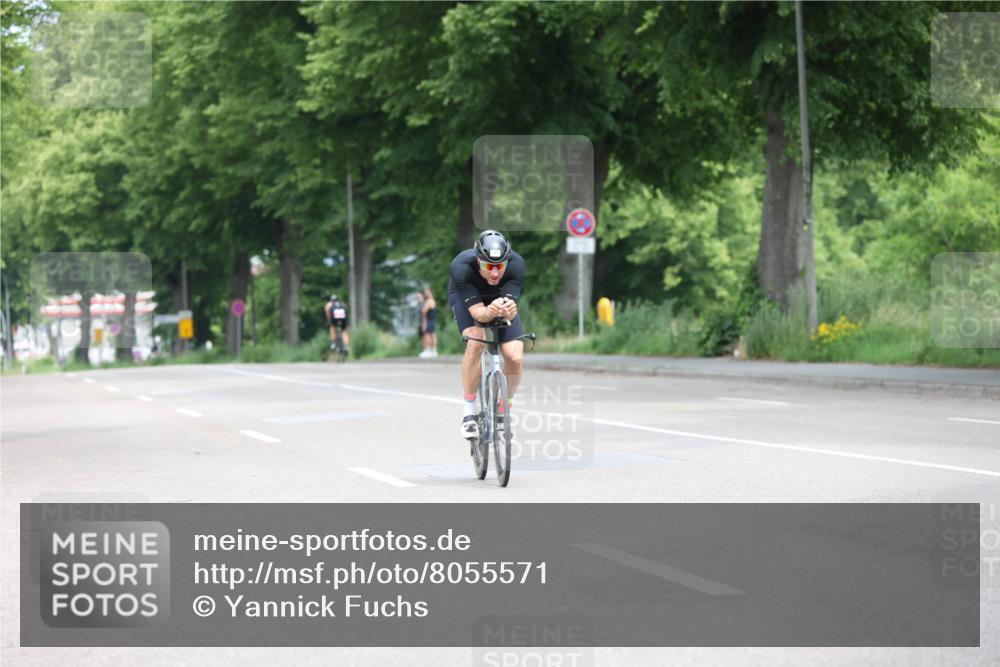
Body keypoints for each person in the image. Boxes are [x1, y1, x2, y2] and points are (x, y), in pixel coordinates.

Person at [447, 229, 525, 439]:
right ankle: (469, 412)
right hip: (468, 299)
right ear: (478, 261)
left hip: (498, 298)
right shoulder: (461, 268)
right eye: (489, 266)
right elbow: (478, 314)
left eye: (500, 266)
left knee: (515, 357)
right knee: (476, 340)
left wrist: (509, 310)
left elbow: (510, 308)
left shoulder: (516, 265)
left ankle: (503, 409)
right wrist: (489, 311)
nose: (495, 273)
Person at [420, 286, 438, 358]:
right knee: (432, 335)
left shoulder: (429, 301)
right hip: (431, 320)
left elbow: (423, 311)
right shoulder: (432, 300)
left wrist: (423, 306)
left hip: (429, 320)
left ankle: (428, 350)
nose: (425, 293)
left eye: (426, 292)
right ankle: (433, 351)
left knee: (428, 335)